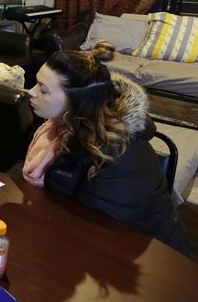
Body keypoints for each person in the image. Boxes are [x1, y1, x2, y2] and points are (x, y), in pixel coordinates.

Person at [23, 41, 187, 253]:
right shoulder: (61, 124)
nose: (32, 92)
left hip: (144, 259)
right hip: (78, 236)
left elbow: (97, 234)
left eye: (44, 90)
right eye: (36, 84)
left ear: (77, 100)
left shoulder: (114, 155)